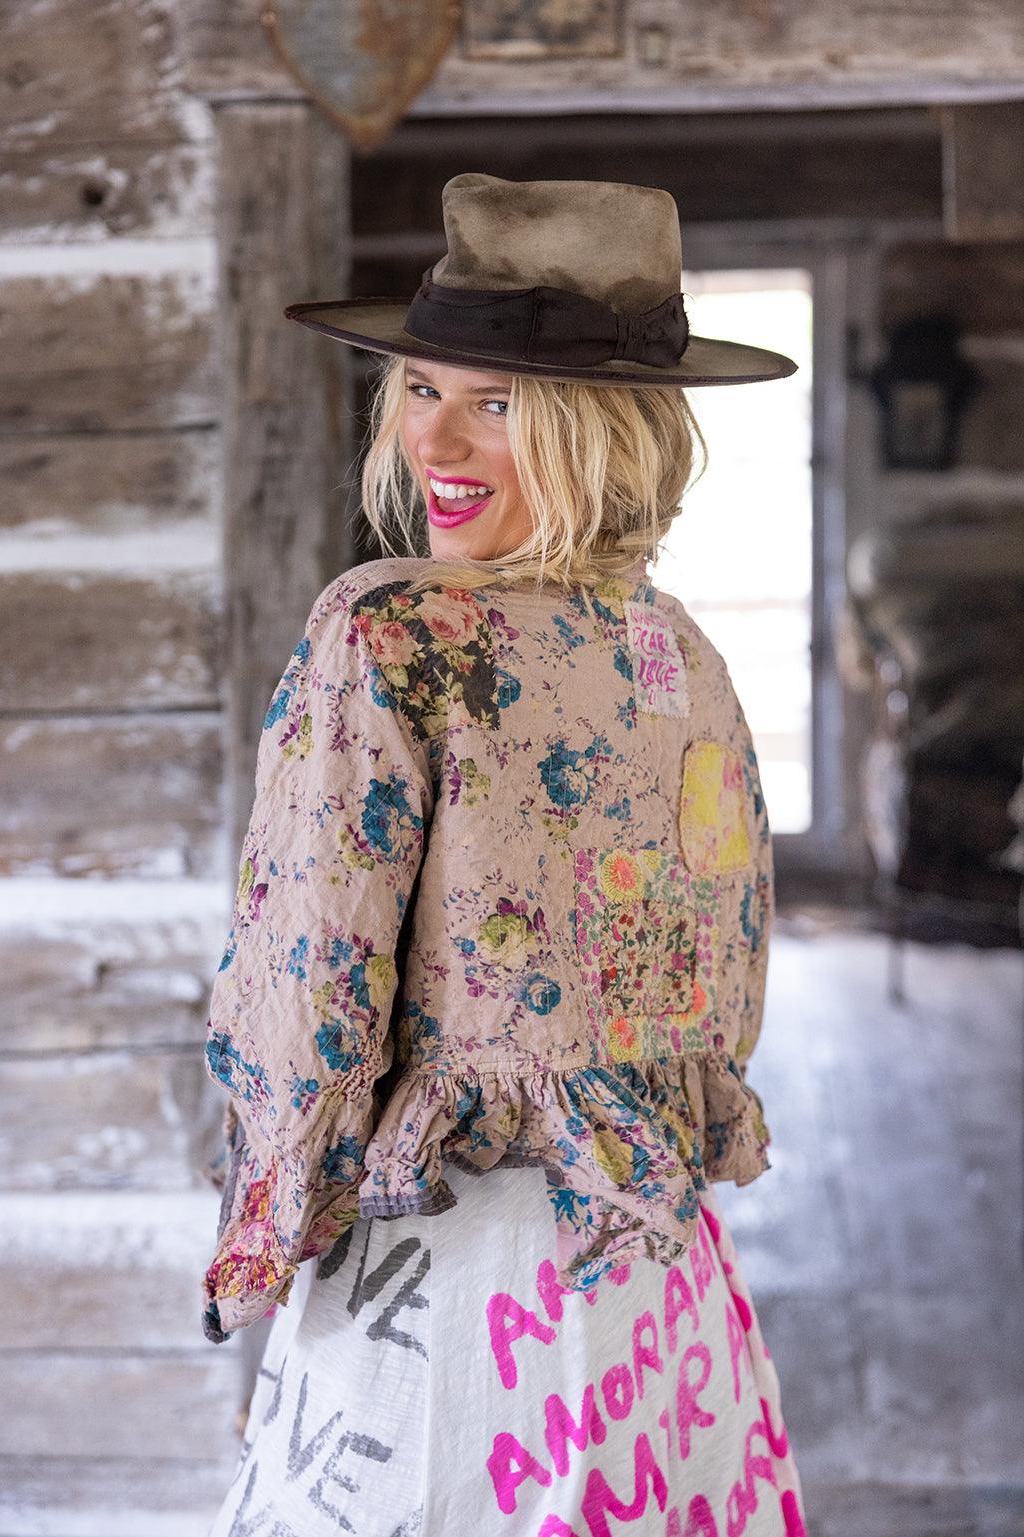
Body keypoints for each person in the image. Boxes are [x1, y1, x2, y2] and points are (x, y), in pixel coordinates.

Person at [200, 173, 808, 1536]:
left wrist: (268, 1218)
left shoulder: (388, 628)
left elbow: (309, 967)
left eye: (498, 400)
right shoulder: (680, 652)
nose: (438, 439)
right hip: (649, 1277)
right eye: (421, 389)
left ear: (606, 430)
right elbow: (728, 980)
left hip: (443, 1268)